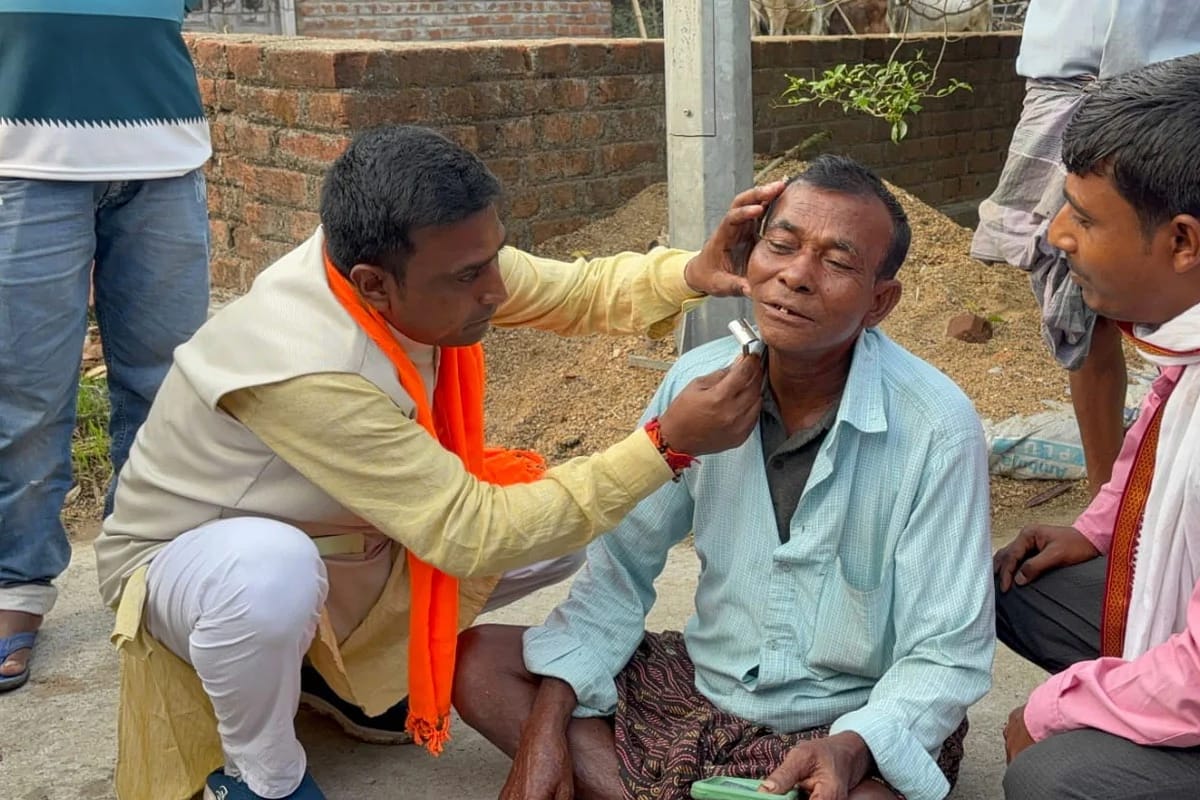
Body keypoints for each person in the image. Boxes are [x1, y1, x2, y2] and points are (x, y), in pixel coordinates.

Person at [91, 124, 779, 800]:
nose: (496, 291)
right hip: (190, 570)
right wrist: (662, 446)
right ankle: (258, 776)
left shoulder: (410, 264)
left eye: (493, 259)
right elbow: (470, 532)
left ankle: (343, 683)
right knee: (272, 573)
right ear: (375, 284)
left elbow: (577, 291)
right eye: (470, 276)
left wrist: (693, 271)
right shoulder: (307, 365)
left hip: (340, 536)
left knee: (550, 531)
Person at [454, 156, 995, 800]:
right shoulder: (696, 385)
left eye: (838, 262)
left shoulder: (936, 425)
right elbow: (618, 572)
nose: (796, 276)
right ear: (748, 256)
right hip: (702, 688)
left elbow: (948, 651)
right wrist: (543, 734)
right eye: (782, 245)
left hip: (846, 719)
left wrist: (853, 747)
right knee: (479, 661)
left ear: (880, 302)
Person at [993, 54, 1200, 799]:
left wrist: (1058, 708)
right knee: (1011, 582)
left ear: (1183, 241)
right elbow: (1157, 434)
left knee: (1056, 775)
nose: (1056, 235)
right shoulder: (1186, 338)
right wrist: (1099, 528)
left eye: (1083, 216)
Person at [0, 1, 212, 693]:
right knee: (26, 391)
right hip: (23, 150)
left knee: (167, 388)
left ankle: (147, 568)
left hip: (165, 144)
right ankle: (17, 586)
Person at [971, 0, 1200, 496]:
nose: (1058, 230)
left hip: (1176, 91)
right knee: (1080, 305)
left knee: (1183, 301)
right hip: (1061, 85)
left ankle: (1175, 490)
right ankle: (1109, 501)